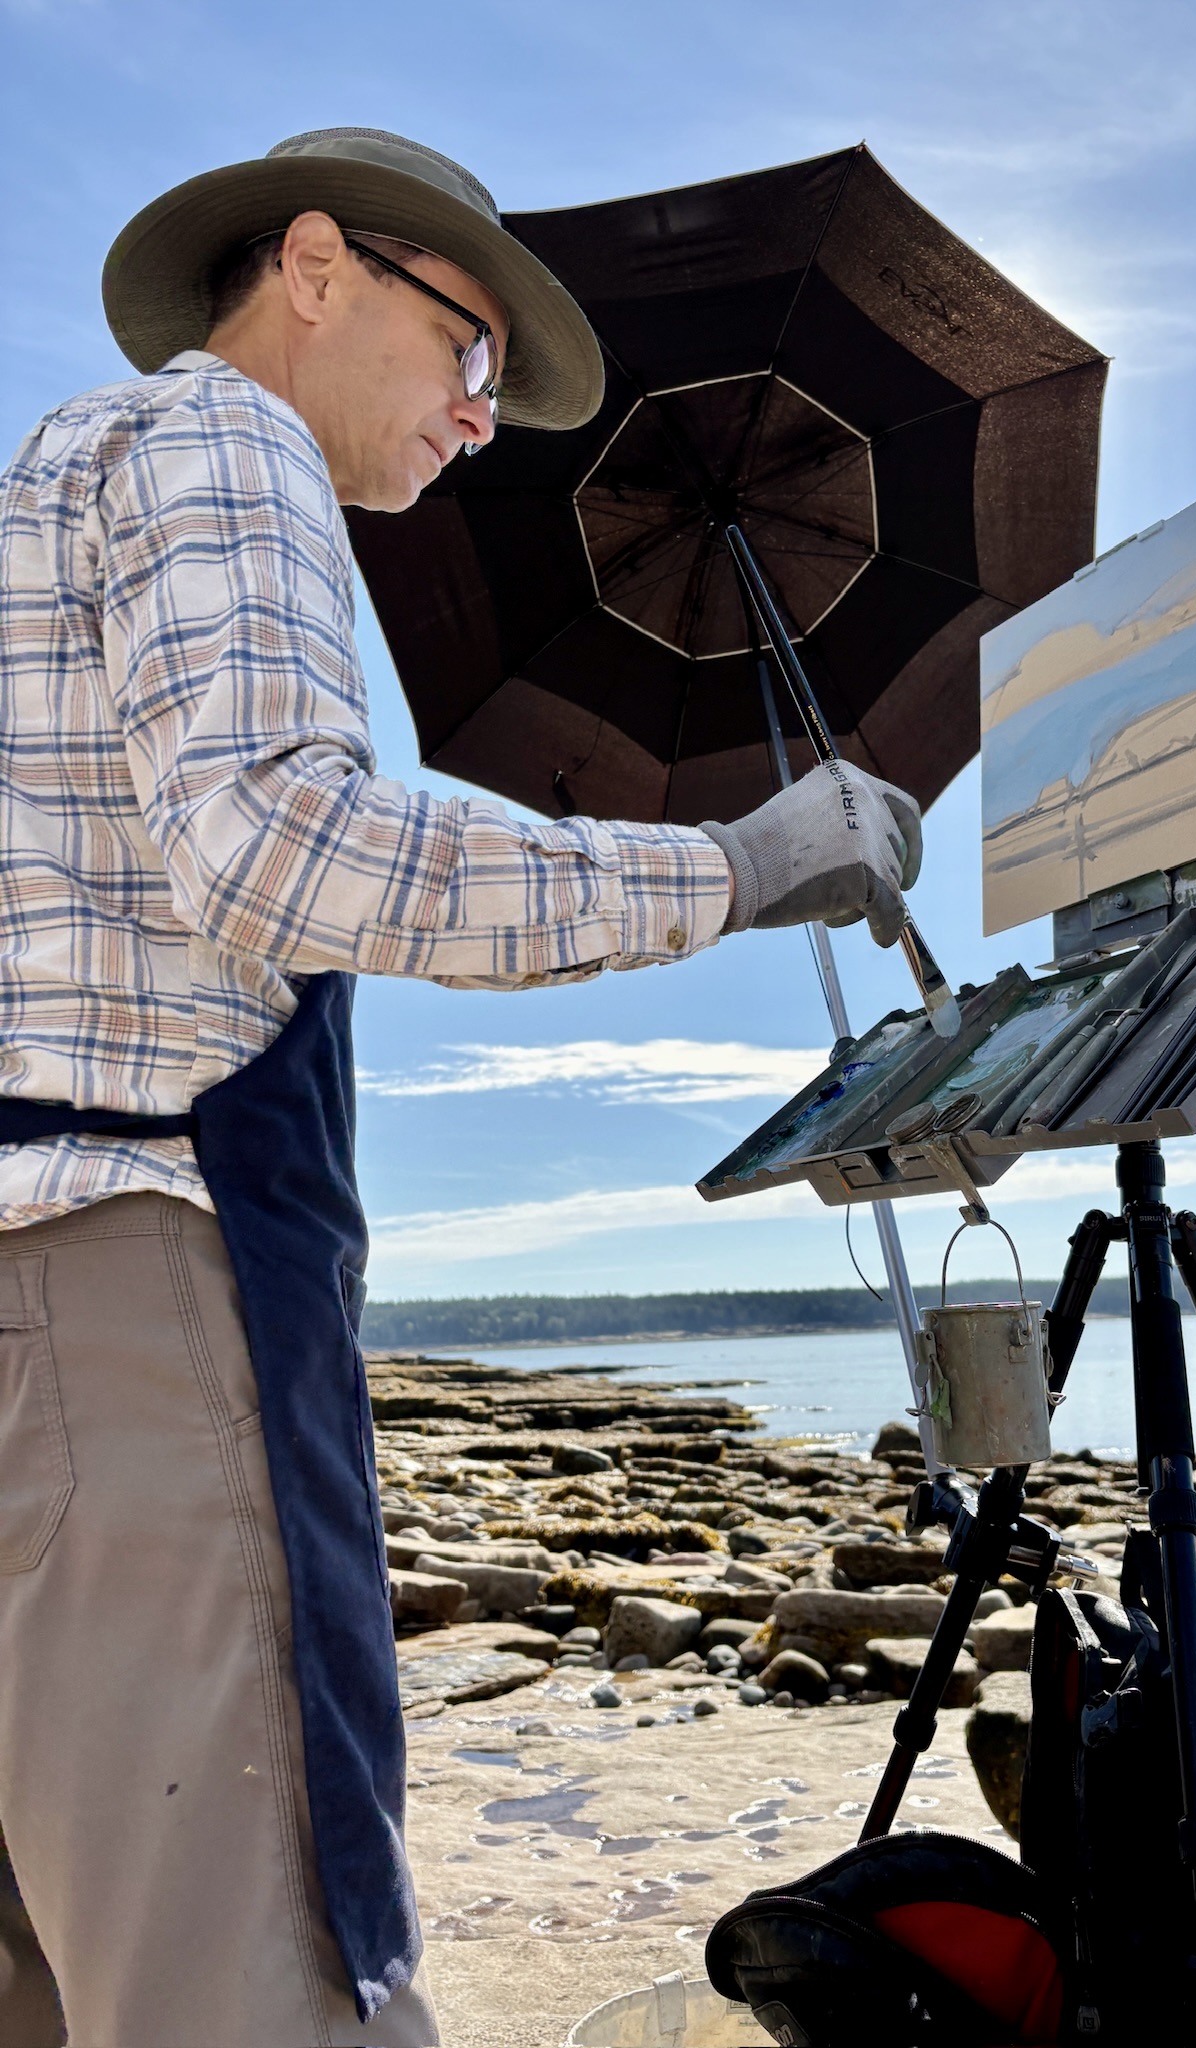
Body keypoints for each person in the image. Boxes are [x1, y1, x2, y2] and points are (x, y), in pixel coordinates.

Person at [0, 128, 924, 2047]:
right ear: (320, 266)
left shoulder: (45, 481)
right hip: (123, 1286)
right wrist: (738, 871)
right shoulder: (223, 444)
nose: (483, 421)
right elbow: (277, 843)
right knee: (250, 1970)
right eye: (473, 354)